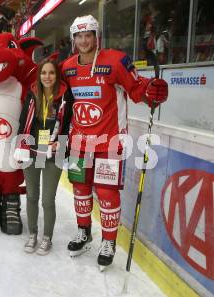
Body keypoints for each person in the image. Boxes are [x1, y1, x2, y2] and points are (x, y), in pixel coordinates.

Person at [60, 15, 168, 270]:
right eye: (79, 36)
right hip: (78, 142)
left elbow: (136, 88)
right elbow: (58, 97)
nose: (84, 40)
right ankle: (83, 231)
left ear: (96, 37)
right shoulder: (67, 67)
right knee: (80, 190)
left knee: (107, 194)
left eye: (88, 35)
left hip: (110, 143)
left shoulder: (116, 60)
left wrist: (152, 90)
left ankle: (108, 242)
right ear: (73, 39)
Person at [15, 59, 74, 255]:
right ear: (39, 76)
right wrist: (20, 146)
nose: (47, 77)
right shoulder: (32, 95)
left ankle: (47, 237)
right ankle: (33, 234)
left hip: (54, 152)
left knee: (48, 200)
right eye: (43, 73)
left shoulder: (66, 97)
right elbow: (24, 121)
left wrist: (61, 145)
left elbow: (69, 126)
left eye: (51, 73)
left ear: (57, 76)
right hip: (32, 149)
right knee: (32, 196)